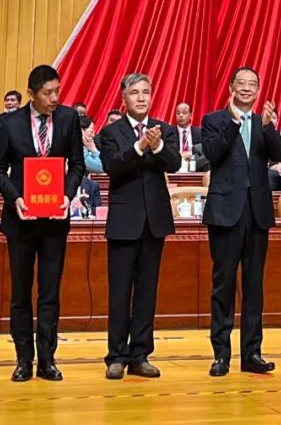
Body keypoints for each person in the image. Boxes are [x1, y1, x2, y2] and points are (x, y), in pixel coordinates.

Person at [0, 65, 85, 382]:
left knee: (50, 293)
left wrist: (68, 195)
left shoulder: (69, 119)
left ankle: (47, 359)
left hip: (55, 220)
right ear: (31, 94)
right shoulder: (9, 123)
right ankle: (23, 359)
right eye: (47, 93)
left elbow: (77, 164)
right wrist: (14, 198)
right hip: (21, 220)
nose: (54, 98)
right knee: (21, 293)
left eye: (57, 91)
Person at [201, 66, 281, 377]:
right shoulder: (214, 120)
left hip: (257, 212)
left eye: (253, 84)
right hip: (225, 213)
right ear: (231, 88)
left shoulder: (263, 122)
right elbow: (213, 153)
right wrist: (235, 123)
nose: (248, 88)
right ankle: (221, 354)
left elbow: (279, 155)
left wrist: (269, 128)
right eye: (242, 83)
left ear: (258, 90)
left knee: (254, 286)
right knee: (223, 285)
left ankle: (252, 353)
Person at [99, 73, 179, 380]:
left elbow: (173, 163)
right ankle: (116, 356)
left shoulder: (165, 130)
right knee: (120, 291)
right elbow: (112, 166)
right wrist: (139, 146)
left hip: (154, 222)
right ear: (124, 98)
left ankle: (140, 355)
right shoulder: (112, 132)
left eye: (146, 92)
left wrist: (156, 147)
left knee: (147, 291)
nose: (141, 97)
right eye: (135, 92)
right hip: (124, 221)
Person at [173, 102, 207, 172]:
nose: (181, 115)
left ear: (190, 116)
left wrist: (190, 155)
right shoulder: (169, 132)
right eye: (178, 113)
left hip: (196, 167)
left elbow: (204, 151)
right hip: (176, 166)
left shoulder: (200, 132)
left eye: (184, 112)